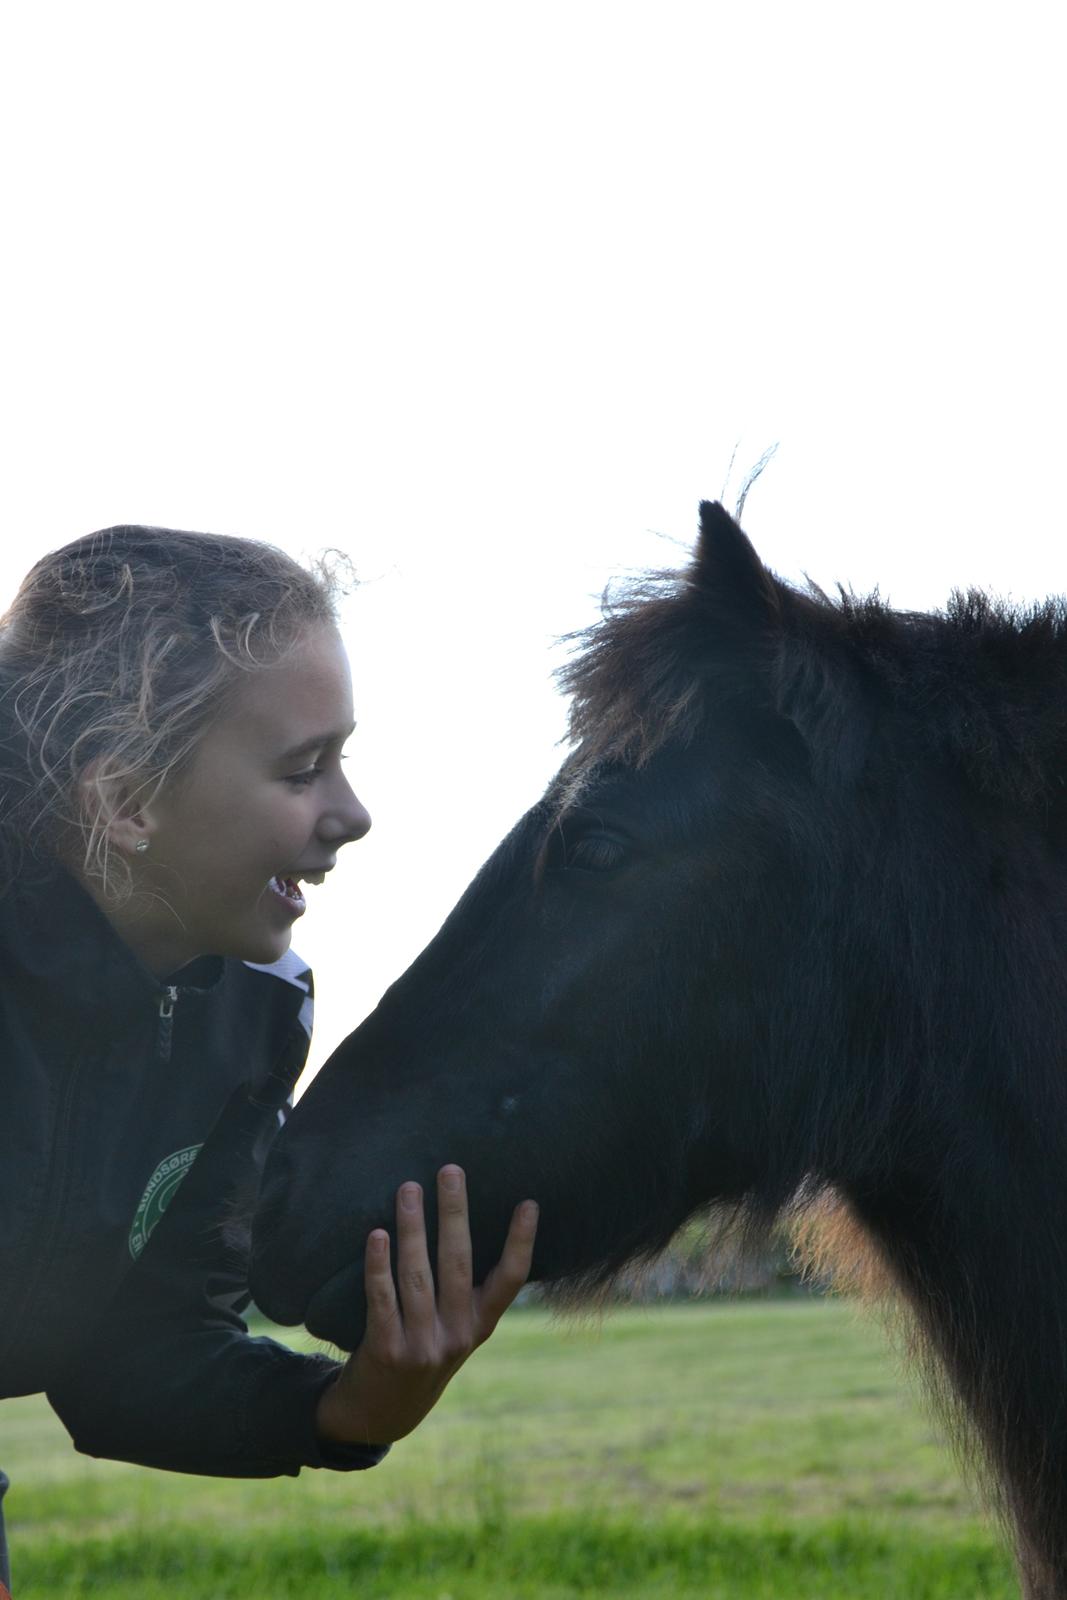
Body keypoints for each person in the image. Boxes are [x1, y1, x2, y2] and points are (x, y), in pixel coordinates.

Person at [0, 525, 539, 1595]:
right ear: (125, 802)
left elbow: (128, 1355)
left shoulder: (250, 1016)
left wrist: (343, 1409)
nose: (352, 813)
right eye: (304, 768)